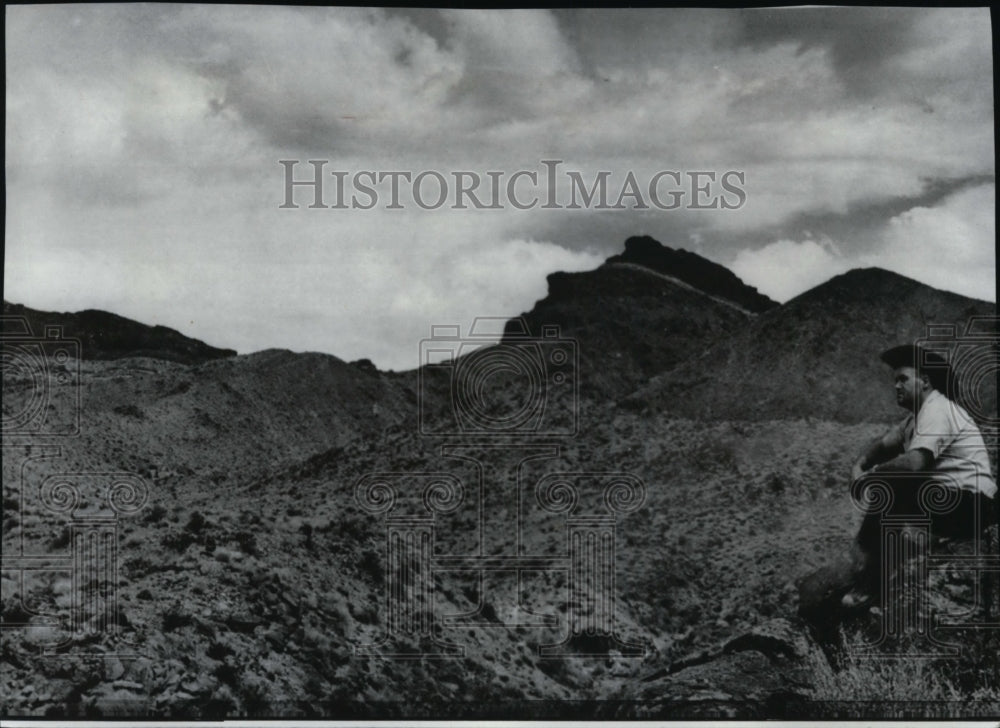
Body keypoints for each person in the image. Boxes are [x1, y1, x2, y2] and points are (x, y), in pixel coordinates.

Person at [841, 343, 997, 609]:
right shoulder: (914, 419)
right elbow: (882, 446)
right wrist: (860, 465)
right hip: (951, 502)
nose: (896, 386)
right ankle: (862, 563)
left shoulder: (938, 409)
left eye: (903, 379)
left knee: (895, 483)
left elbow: (914, 463)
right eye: (894, 381)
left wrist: (871, 476)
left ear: (924, 382)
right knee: (893, 486)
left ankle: (870, 583)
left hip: (975, 506)